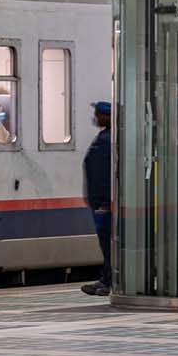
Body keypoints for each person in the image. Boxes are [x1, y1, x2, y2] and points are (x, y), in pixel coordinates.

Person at [81, 101, 113, 295]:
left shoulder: (106, 140)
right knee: (108, 243)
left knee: (108, 243)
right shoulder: (107, 138)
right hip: (103, 202)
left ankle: (108, 281)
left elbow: (102, 174)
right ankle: (107, 279)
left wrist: (102, 202)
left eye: (97, 114)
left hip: (104, 203)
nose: (95, 118)